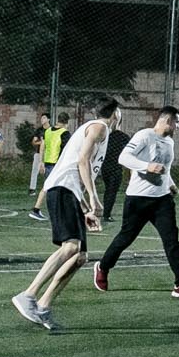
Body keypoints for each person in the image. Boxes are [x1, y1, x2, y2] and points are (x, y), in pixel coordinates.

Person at [11, 98, 118, 333]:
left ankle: (43, 306)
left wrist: (84, 209)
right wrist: (93, 198)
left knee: (79, 257)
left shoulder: (98, 130)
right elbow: (82, 161)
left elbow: (77, 168)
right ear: (115, 114)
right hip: (61, 189)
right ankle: (28, 295)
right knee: (70, 247)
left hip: (70, 192)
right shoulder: (100, 127)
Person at [93, 106, 179, 299]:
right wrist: (147, 166)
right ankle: (103, 267)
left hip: (162, 201)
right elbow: (124, 158)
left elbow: (165, 169)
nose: (178, 126)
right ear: (168, 120)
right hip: (138, 199)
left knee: (172, 241)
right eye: (177, 122)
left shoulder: (169, 142)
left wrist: (170, 184)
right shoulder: (144, 136)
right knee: (125, 238)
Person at [28, 114, 66, 220]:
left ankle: (37, 209)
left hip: (48, 162)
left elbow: (43, 146)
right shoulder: (63, 132)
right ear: (66, 123)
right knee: (57, 187)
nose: (42, 119)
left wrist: (42, 161)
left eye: (44, 118)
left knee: (48, 186)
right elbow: (66, 149)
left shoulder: (49, 131)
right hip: (55, 163)